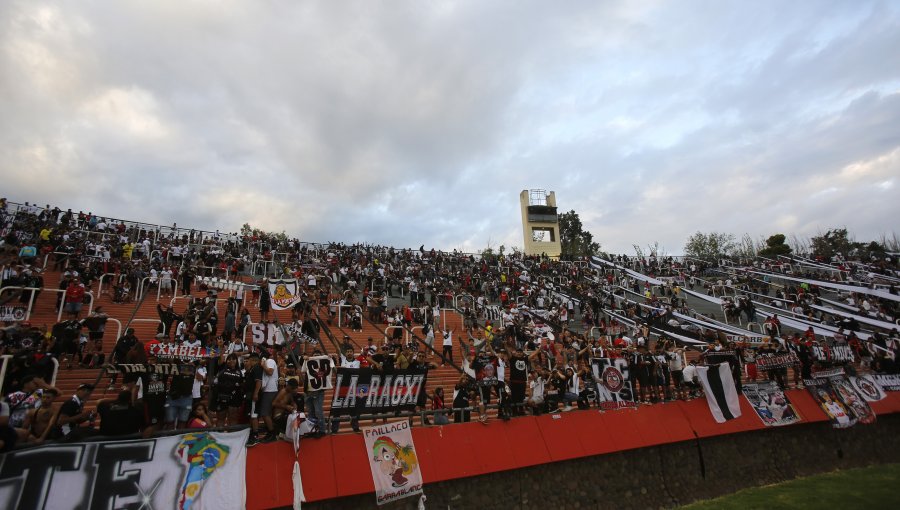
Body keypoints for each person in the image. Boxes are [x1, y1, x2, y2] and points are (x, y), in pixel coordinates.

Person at [213, 354, 244, 426]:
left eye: (233, 359)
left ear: (237, 361)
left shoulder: (240, 372)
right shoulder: (222, 369)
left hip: (234, 399)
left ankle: (231, 436)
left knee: (233, 418)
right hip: (221, 397)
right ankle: (219, 435)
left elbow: (241, 385)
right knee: (220, 418)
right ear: (226, 361)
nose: (231, 361)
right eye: (229, 359)